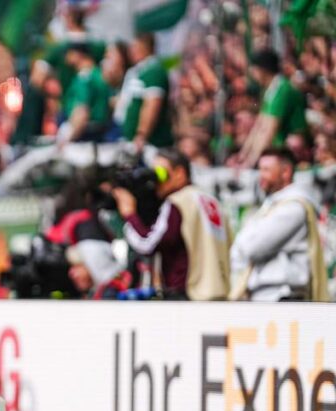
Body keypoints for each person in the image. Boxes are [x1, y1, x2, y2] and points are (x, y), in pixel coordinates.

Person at [111, 149, 232, 300]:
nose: (155, 181)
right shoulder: (212, 202)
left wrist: (130, 213)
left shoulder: (178, 202)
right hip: (219, 293)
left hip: (188, 296)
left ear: (180, 173)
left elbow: (147, 244)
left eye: (160, 173)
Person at [230, 148, 329, 302]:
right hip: (267, 294)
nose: (260, 175)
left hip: (282, 295)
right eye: (259, 169)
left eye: (266, 170)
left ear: (286, 172)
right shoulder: (273, 205)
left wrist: (242, 241)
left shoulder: (294, 208)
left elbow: (253, 247)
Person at [238, 49, 308, 168]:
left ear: (263, 69)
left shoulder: (282, 90)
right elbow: (259, 126)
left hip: (293, 150)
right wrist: (243, 157)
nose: (252, 73)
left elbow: (269, 130)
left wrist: (250, 163)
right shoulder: (270, 90)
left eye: (254, 69)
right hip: (280, 146)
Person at [114, 33, 172, 151]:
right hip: (129, 140)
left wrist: (141, 135)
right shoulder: (138, 71)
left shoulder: (154, 71)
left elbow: (152, 104)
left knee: (157, 170)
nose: (131, 51)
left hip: (150, 145)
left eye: (135, 47)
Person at [57, 43, 111, 146]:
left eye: (69, 53)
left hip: (83, 135)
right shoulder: (99, 75)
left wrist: (67, 139)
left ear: (78, 54)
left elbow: (82, 110)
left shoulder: (84, 77)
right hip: (100, 134)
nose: (66, 57)